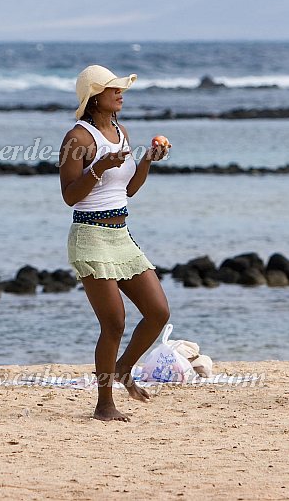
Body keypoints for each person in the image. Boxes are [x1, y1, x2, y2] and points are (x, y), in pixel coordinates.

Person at [59, 65, 171, 422]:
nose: (120, 94)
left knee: (158, 312)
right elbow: (69, 196)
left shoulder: (120, 130)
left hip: (121, 235)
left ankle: (124, 367)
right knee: (114, 324)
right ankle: (104, 402)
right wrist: (99, 167)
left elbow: (126, 191)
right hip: (89, 237)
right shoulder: (76, 138)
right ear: (95, 97)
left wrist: (148, 162)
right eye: (113, 89)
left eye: (120, 89)